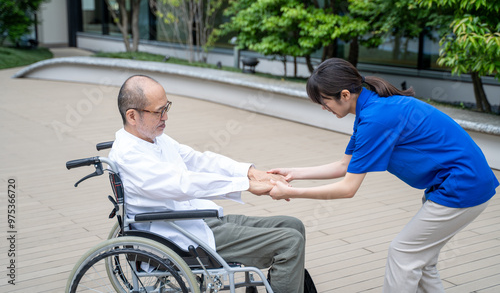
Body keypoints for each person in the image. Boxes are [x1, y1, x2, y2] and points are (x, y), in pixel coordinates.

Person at [268, 58, 499, 293]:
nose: (323, 107)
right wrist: (293, 173)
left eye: (324, 101)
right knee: (421, 261)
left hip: (462, 185)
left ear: (345, 95)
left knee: (403, 253)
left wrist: (292, 193)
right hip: (457, 182)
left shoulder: (376, 119)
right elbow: (343, 165)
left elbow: (348, 188)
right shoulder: (371, 109)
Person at [108, 74, 307, 293]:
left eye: (167, 108)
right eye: (158, 112)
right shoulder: (130, 155)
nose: (166, 117)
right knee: (290, 242)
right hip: (179, 236)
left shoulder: (153, 138)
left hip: (196, 220)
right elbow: (183, 184)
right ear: (132, 116)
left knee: (293, 225)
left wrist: (251, 173)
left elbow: (197, 160)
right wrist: (245, 185)